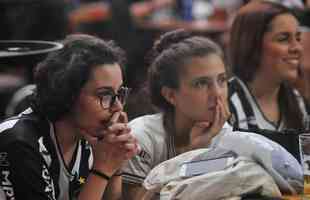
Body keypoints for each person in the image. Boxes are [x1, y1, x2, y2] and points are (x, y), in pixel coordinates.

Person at [0, 34, 139, 200]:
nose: (118, 107)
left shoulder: (89, 140)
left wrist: (115, 163)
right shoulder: (19, 143)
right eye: (105, 95)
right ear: (67, 93)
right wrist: (102, 169)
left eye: (119, 94)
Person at [122, 29, 231, 199]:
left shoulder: (224, 134)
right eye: (201, 83)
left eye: (222, 80)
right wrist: (192, 154)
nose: (217, 93)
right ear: (171, 95)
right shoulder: (141, 137)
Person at [228, 1, 309, 132]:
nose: (297, 48)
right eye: (283, 39)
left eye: (298, 38)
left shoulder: (297, 101)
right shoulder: (226, 104)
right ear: (251, 44)